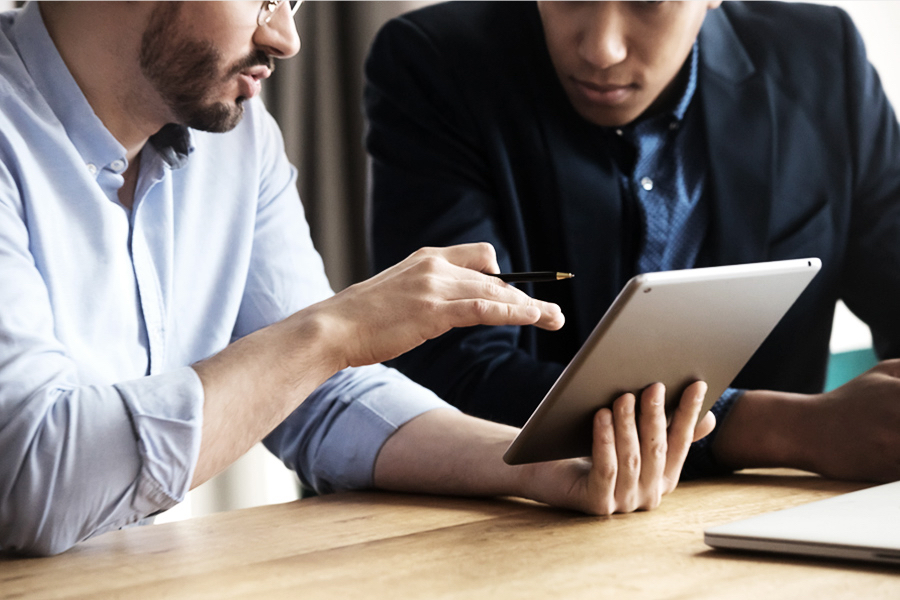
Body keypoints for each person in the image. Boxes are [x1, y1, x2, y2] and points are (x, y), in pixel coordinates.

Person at [0, 1, 715, 557]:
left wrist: (527, 467)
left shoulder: (237, 139)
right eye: (266, 0)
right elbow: (33, 482)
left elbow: (317, 396)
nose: (286, 39)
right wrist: (335, 331)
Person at [365, 1, 900, 482]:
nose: (601, 48)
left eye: (647, 2)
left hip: (776, 514)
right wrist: (790, 430)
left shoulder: (823, 57)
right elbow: (446, 372)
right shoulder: (438, 63)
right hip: (518, 520)